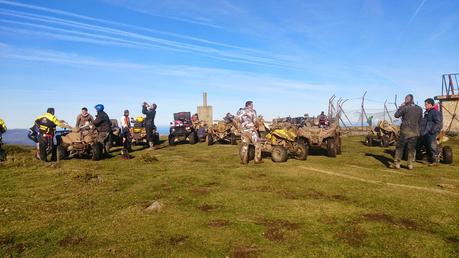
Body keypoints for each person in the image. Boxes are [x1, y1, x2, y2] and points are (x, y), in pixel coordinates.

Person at [392, 94, 423, 170]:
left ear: (407, 99)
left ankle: (397, 163)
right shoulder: (419, 108)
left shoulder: (405, 107)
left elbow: (396, 115)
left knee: (400, 147)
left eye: (405, 99)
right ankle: (410, 164)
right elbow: (420, 121)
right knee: (411, 148)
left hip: (405, 131)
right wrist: (419, 131)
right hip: (415, 132)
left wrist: (401, 107)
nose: (404, 100)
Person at [421, 98, 442, 166]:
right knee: (428, 147)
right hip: (426, 133)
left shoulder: (434, 112)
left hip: (431, 133)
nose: (425, 105)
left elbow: (438, 122)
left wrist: (432, 131)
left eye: (426, 104)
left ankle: (435, 161)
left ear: (430, 104)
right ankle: (431, 160)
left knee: (432, 147)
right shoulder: (427, 112)